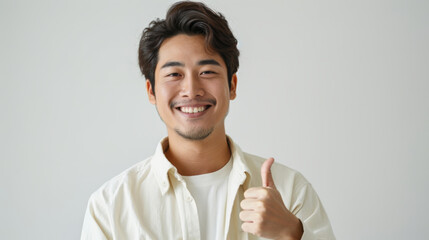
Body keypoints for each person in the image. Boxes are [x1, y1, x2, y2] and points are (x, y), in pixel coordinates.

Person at [81, 1, 335, 239]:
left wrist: (292, 233)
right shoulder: (110, 206)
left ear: (232, 85)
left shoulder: (290, 191)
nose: (191, 90)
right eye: (174, 74)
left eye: (207, 71)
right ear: (151, 91)